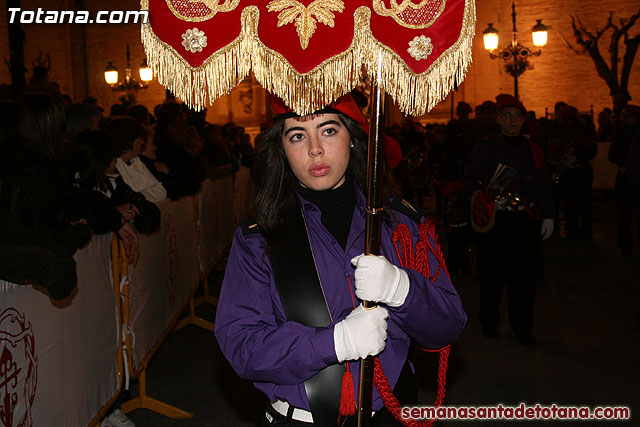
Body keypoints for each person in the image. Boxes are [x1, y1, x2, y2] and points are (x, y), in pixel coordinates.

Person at [214, 94, 467, 426]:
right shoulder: (258, 240)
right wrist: (334, 342)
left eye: (329, 130)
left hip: (392, 414)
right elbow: (242, 346)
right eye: (297, 135)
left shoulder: (400, 226)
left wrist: (402, 288)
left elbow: (448, 326)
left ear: (352, 138)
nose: (315, 148)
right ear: (282, 150)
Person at [464, 95, 555, 346]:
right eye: (507, 115)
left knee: (523, 278)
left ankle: (523, 328)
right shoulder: (485, 147)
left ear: (524, 120)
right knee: (492, 276)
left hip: (524, 220)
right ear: (498, 119)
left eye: (517, 116)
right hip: (496, 221)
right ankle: (489, 323)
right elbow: (470, 179)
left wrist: (548, 214)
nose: (512, 121)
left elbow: (543, 182)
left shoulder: (532, 148)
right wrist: (479, 202)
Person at [104, 116, 167, 203]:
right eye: (139, 137)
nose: (142, 141)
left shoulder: (136, 161)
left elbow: (161, 191)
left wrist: (140, 195)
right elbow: (128, 199)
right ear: (128, 139)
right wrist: (145, 194)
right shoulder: (114, 166)